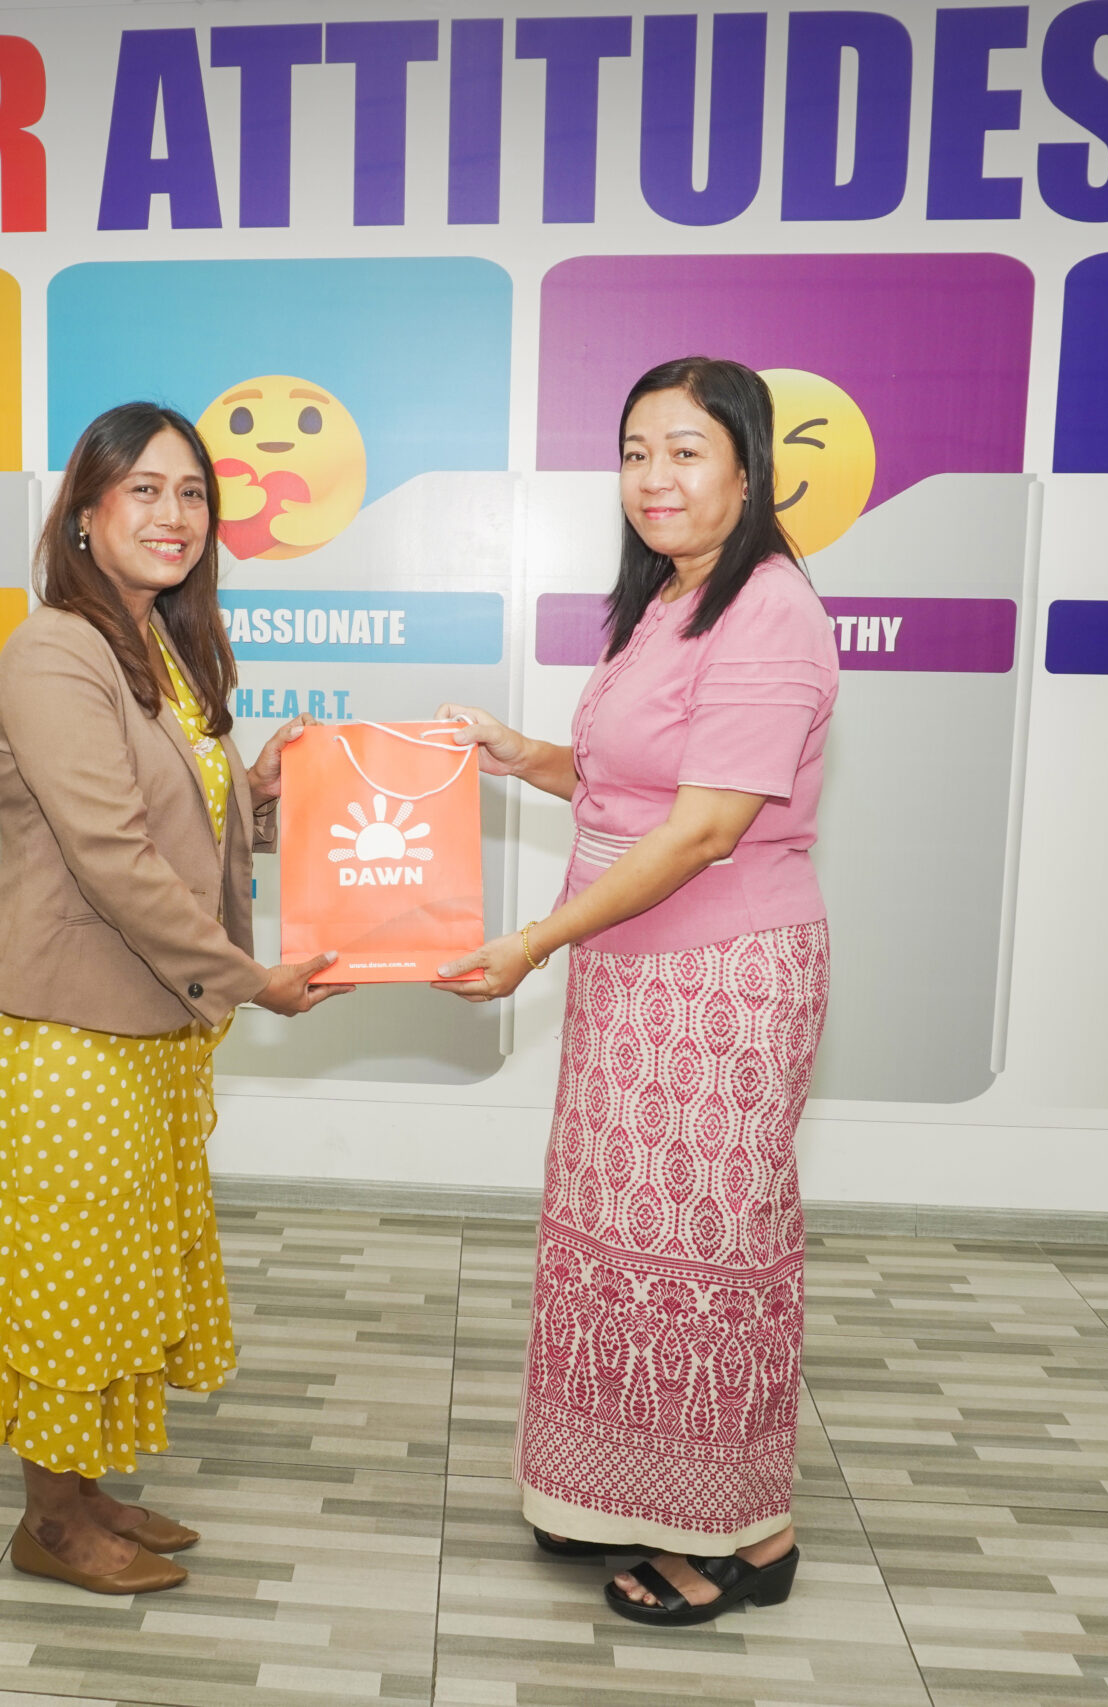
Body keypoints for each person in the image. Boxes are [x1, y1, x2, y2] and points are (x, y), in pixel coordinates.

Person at [435, 358, 837, 1626]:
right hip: (631, 974)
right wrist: (519, 755)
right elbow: (630, 782)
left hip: (719, 982)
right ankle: (622, 1494)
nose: (653, 478)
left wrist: (535, 941)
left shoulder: (767, 607)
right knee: (622, 1247)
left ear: (747, 469)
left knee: (704, 1254)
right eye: (633, 452)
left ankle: (747, 1537)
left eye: (685, 451)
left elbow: (706, 828)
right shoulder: (668, 598)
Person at [0, 401, 349, 1597]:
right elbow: (112, 856)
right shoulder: (54, 650)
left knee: (112, 1266)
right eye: (145, 490)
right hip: (57, 1026)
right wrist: (250, 980)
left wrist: (256, 791)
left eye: (192, 494)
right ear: (85, 512)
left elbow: (173, 823)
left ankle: (81, 1487)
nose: (175, 515)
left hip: (143, 1020)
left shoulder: (158, 641)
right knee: (65, 1271)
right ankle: (48, 1524)